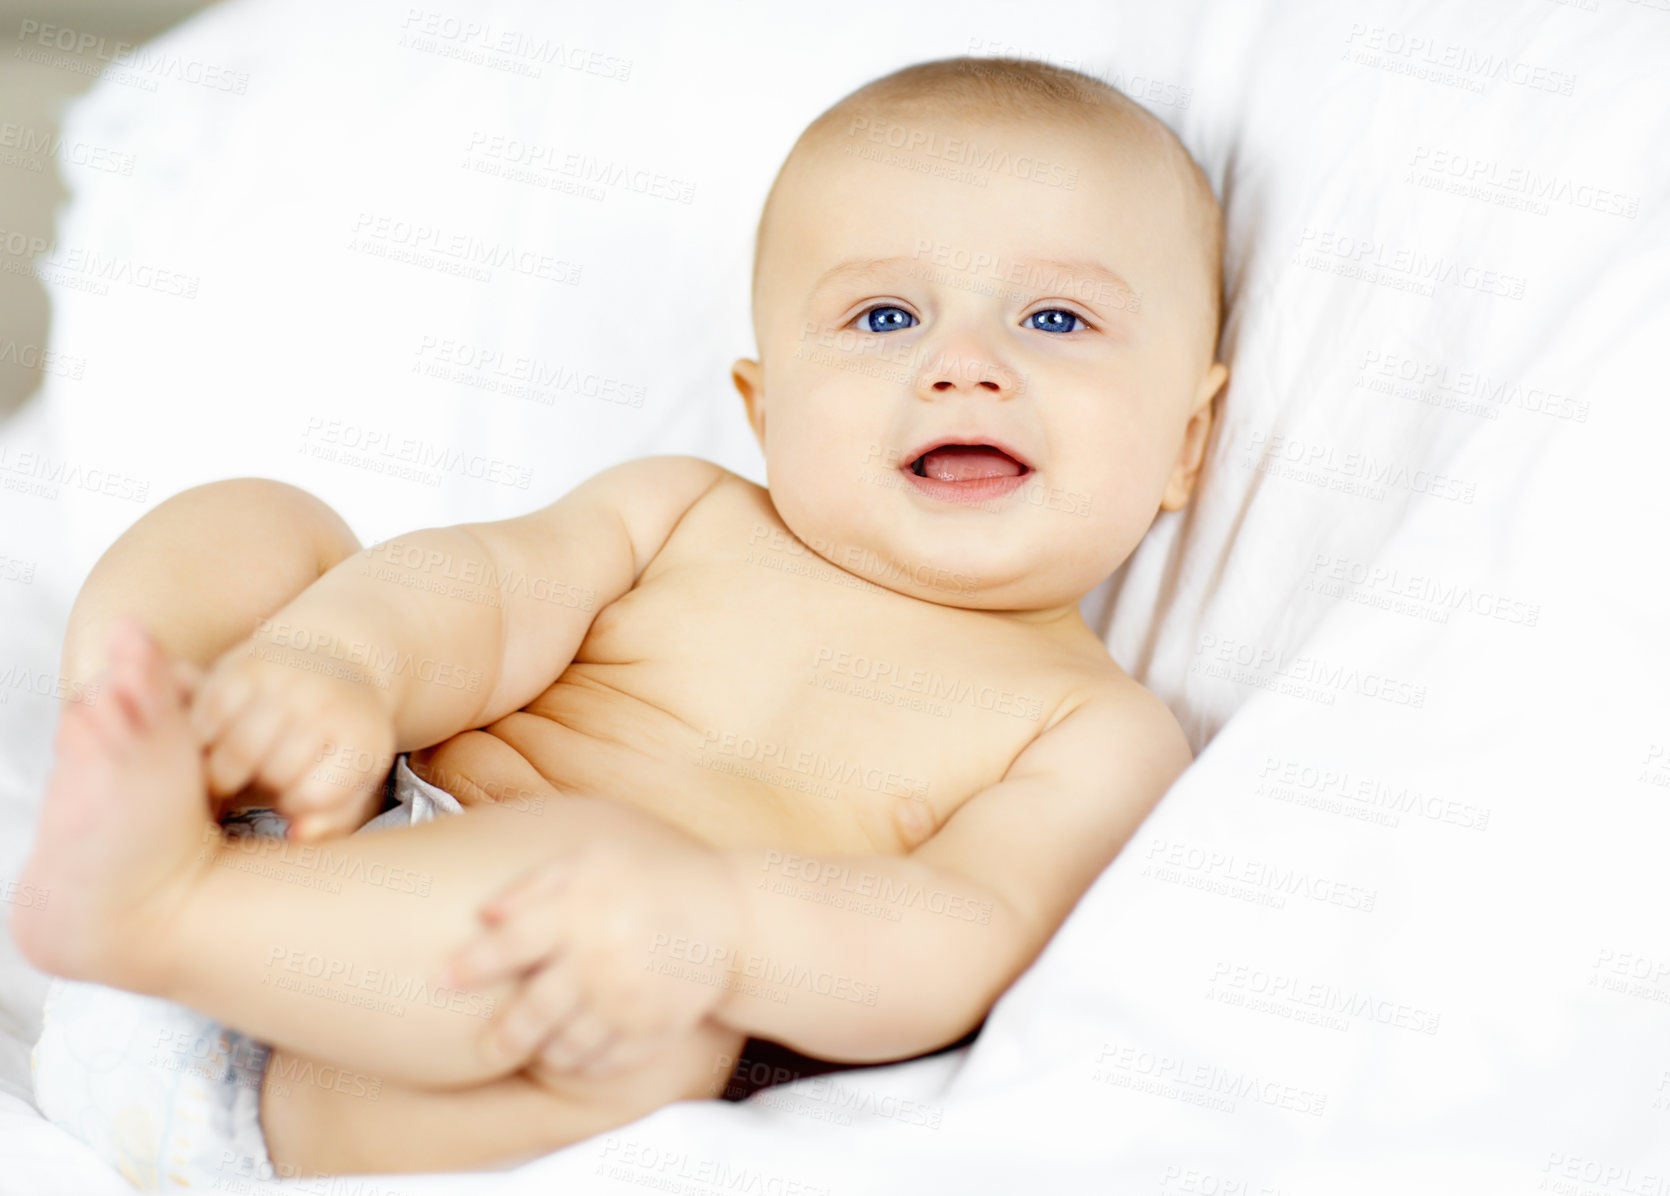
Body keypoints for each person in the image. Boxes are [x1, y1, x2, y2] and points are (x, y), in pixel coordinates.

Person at [12, 54, 1229, 1183]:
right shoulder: (682, 512)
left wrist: (718, 928)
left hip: (408, 1052)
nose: (962, 366)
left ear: (1184, 441)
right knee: (261, 519)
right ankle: (136, 750)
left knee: (656, 1032)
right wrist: (336, 665)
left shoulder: (1092, 727)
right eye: (883, 318)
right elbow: (482, 594)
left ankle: (156, 907)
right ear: (763, 407)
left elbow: (961, 933)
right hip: (305, 812)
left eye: (1054, 320)